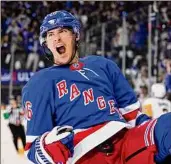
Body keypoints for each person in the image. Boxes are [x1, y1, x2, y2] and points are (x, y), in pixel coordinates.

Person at [22, 10, 171, 164]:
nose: (56, 38)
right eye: (50, 34)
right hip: (85, 154)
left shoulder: (103, 65)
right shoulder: (39, 83)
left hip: (126, 142)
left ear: (76, 35)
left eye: (63, 31)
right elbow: (33, 148)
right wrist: (48, 144)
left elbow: (133, 116)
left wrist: (157, 135)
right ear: (46, 43)